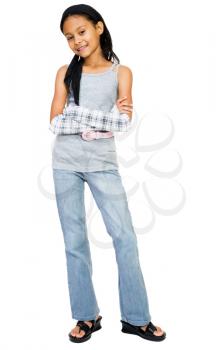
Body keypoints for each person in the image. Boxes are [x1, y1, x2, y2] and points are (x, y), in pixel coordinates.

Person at [50, 4, 166, 343]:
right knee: (74, 242)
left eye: (81, 32)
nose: (76, 41)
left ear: (99, 28)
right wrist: (99, 121)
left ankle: (135, 317)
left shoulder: (121, 72)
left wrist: (78, 116)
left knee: (125, 238)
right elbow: (56, 122)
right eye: (69, 37)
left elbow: (123, 122)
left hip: (103, 165)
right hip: (65, 165)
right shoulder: (64, 72)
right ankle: (87, 316)